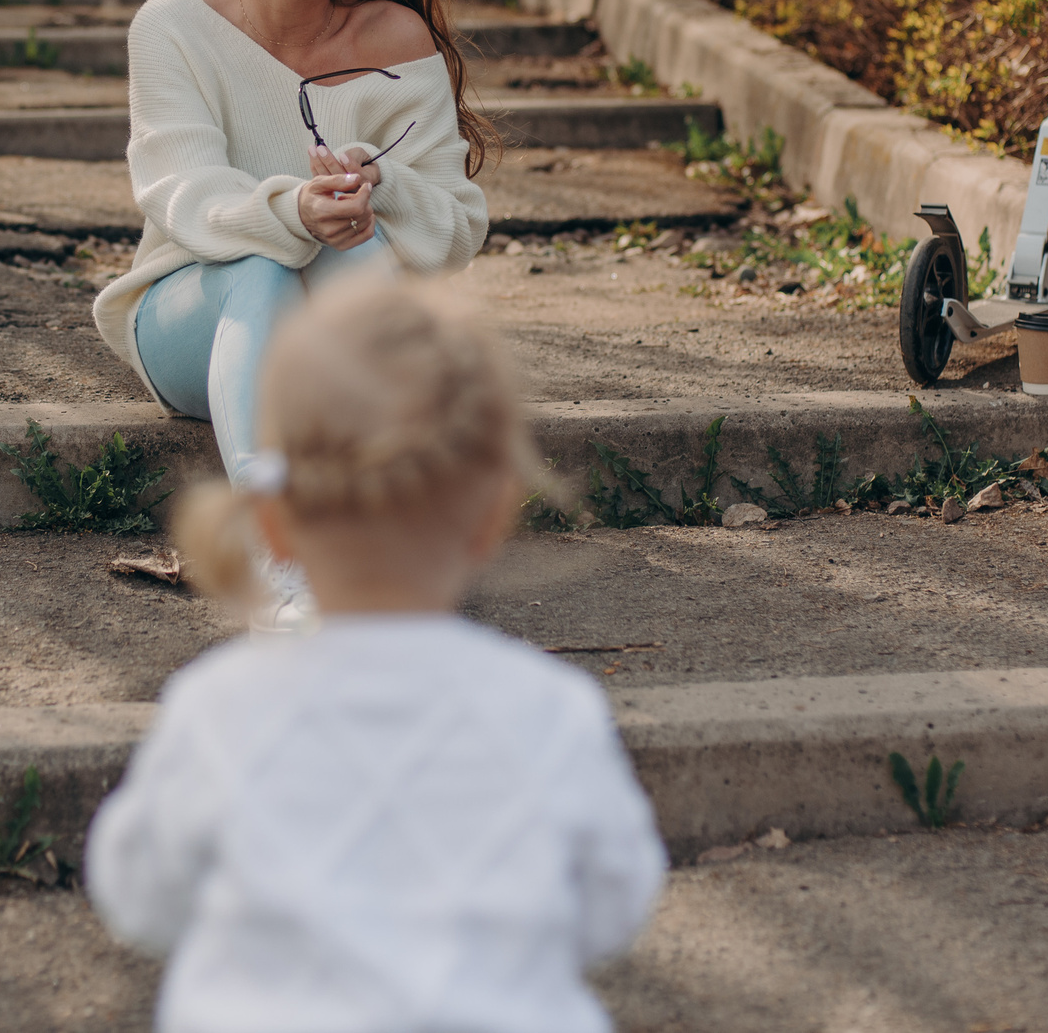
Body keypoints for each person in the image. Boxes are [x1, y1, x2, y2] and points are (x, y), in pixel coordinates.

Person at [86, 279, 667, 1033]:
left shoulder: (217, 707)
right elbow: (615, 902)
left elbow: (138, 894)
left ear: (272, 524)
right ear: (493, 517)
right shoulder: (552, 710)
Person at [92, 0, 493, 625]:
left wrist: (375, 187)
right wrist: (294, 209)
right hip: (192, 317)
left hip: (333, 337)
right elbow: (185, 192)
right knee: (267, 259)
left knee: (353, 241)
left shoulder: (399, 42)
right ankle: (279, 555)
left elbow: (455, 229)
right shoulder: (175, 27)